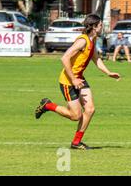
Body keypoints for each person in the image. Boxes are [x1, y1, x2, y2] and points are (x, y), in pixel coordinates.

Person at [34, 14, 121, 150]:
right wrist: (73, 79)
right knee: (76, 116)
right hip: (68, 81)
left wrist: (108, 72)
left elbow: (96, 58)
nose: (102, 27)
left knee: (90, 109)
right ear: (93, 26)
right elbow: (64, 58)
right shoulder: (82, 41)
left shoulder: (93, 39)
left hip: (79, 78)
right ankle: (48, 105)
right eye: (100, 25)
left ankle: (76, 142)